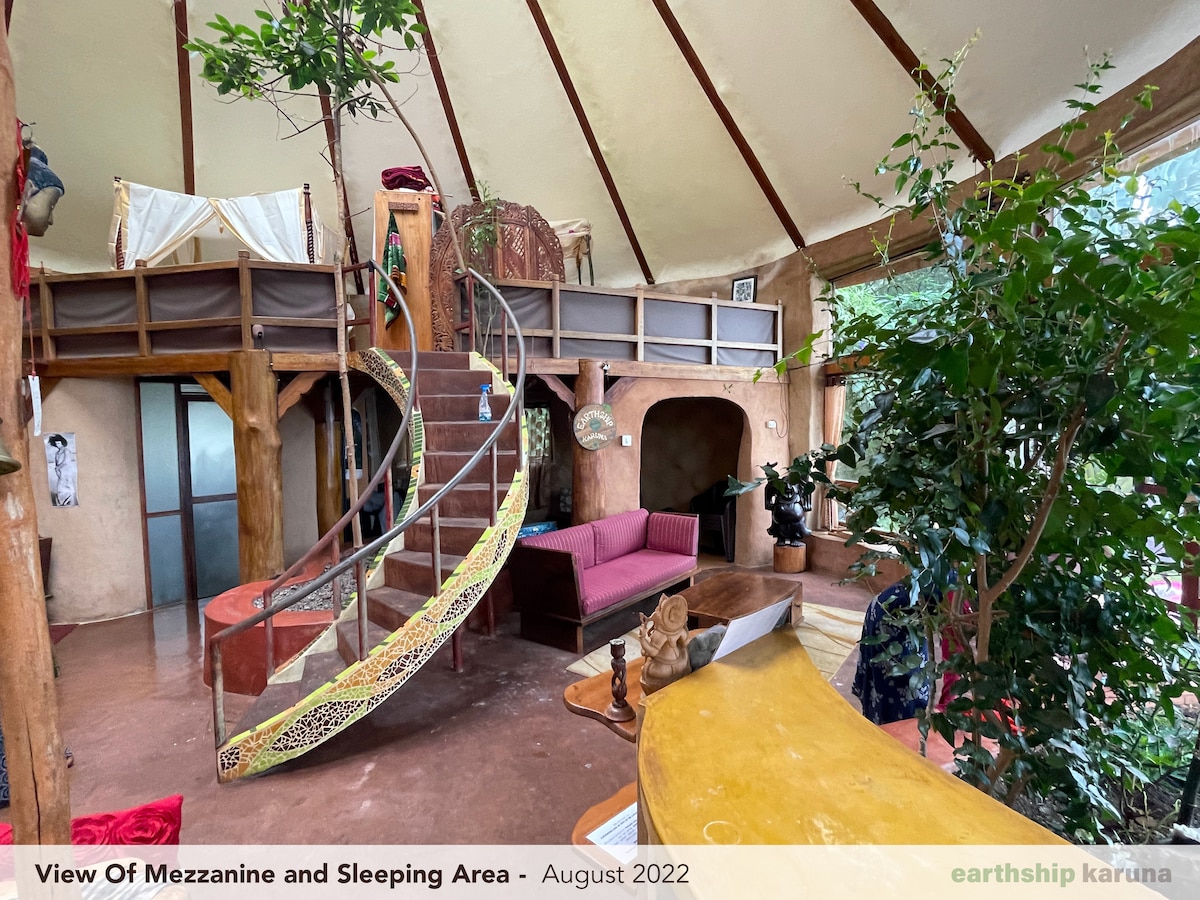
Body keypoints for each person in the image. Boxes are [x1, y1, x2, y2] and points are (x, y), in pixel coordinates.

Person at [47, 433, 76, 506]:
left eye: (59, 443)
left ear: (62, 443)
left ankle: (69, 502)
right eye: (56, 443)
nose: (58, 445)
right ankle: (62, 503)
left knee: (68, 487)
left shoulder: (66, 451)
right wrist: (57, 470)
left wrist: (58, 468)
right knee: (60, 489)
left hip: (67, 471)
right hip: (60, 472)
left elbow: (66, 461)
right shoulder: (57, 453)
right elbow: (56, 463)